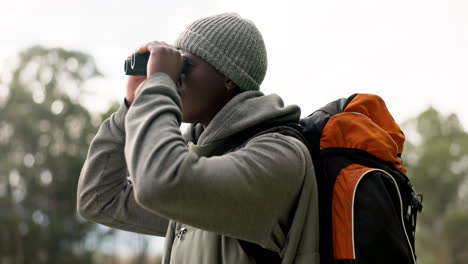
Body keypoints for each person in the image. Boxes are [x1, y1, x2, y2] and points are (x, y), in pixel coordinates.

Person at [77, 13, 319, 263]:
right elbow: (98, 199)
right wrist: (131, 106)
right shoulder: (199, 161)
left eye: (184, 65)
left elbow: (159, 183)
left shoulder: (277, 155)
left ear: (228, 77)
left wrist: (159, 85)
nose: (175, 78)